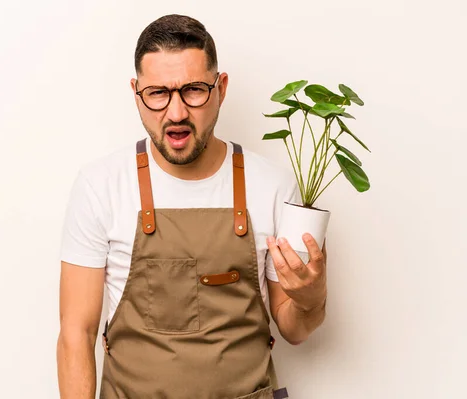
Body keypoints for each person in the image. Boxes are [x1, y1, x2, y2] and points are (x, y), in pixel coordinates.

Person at [56, 14, 327, 399]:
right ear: (136, 92)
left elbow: (295, 329)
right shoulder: (100, 186)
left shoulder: (273, 185)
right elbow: (75, 335)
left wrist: (312, 298)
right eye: (158, 93)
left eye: (194, 90)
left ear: (221, 88)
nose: (177, 112)